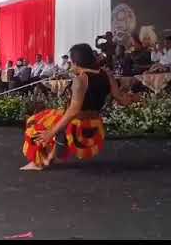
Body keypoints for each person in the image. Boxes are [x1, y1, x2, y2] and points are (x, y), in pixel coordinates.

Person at [21, 43, 139, 171]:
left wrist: (50, 133)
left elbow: (73, 111)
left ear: (76, 63)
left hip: (79, 123)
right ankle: (50, 157)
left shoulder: (80, 80)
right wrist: (133, 98)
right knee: (50, 115)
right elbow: (121, 99)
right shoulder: (106, 74)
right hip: (95, 122)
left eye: (71, 62)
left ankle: (38, 162)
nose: (71, 66)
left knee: (34, 122)